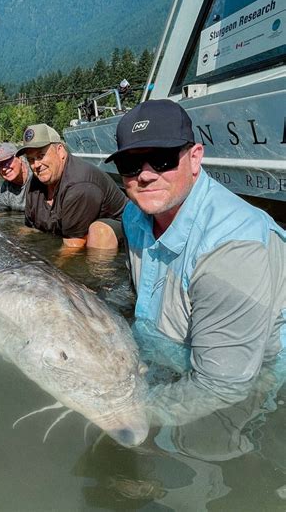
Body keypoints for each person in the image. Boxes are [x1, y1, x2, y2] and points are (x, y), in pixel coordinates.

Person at [105, 99, 285, 428]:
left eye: (161, 159)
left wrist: (118, 410)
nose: (144, 175)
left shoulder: (233, 249)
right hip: (170, 361)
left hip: (255, 387)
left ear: (195, 158)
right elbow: (139, 293)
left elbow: (222, 384)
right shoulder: (135, 214)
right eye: (130, 165)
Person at [16, 123, 127, 249]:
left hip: (126, 227)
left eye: (41, 156)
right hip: (69, 234)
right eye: (31, 159)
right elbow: (30, 228)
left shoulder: (79, 183)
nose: (36, 165)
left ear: (60, 151)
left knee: (100, 232)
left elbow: (73, 247)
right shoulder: (35, 182)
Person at [0, 142, 32, 212]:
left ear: (19, 158)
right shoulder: (3, 191)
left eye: (7, 162)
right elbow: (3, 217)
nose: (3, 168)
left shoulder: (38, 173)